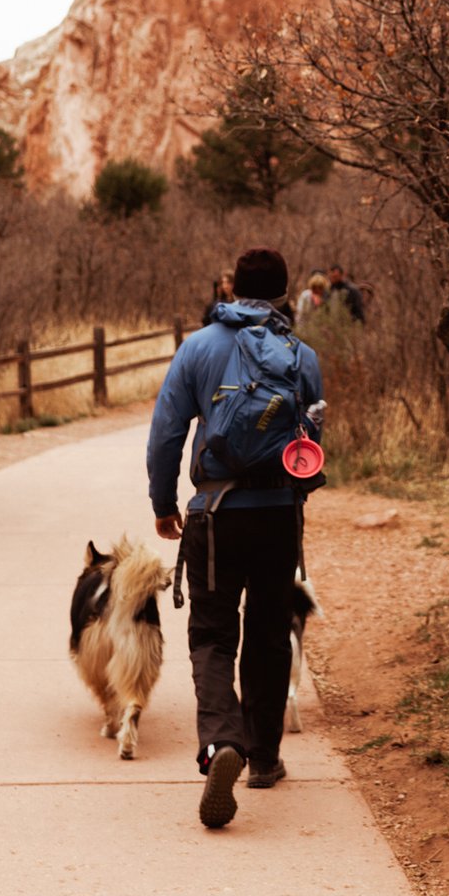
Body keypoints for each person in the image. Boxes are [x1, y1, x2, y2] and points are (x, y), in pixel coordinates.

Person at [146, 246, 324, 829]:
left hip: (215, 515)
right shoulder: (302, 356)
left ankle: (223, 740)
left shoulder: (197, 348)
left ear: (231, 289)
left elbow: (166, 434)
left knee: (213, 635)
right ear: (284, 291)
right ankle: (265, 758)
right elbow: (312, 445)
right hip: (278, 513)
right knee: (270, 634)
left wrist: (164, 504)